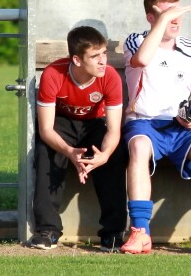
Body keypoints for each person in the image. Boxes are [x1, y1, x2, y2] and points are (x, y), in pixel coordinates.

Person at [120, 0, 191, 255]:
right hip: (144, 122)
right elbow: (142, 59)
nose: (175, 19)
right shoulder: (136, 40)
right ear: (151, 18)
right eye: (168, 14)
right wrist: (163, 21)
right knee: (139, 147)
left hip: (180, 127)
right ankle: (140, 231)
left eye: (178, 12)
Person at [29, 26, 127, 252]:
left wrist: (104, 155)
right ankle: (47, 230)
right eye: (95, 56)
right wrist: (69, 152)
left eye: (104, 53)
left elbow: (113, 129)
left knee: (115, 154)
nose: (103, 61)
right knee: (46, 151)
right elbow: (46, 129)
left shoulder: (110, 76)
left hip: (94, 124)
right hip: (61, 124)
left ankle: (112, 234)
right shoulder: (53, 74)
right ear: (77, 59)